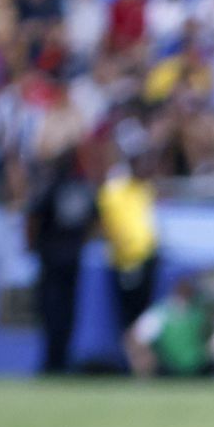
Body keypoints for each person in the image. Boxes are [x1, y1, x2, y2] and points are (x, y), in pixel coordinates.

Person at [25, 148, 97, 375]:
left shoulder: (52, 186)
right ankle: (61, 359)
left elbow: (33, 216)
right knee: (67, 312)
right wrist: (80, 243)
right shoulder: (84, 189)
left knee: (49, 310)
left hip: (50, 257)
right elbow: (95, 221)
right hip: (72, 258)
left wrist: (31, 245)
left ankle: (52, 361)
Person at [98, 151, 163, 349]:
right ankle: (135, 360)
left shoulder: (143, 189)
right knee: (131, 315)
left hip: (147, 257)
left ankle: (140, 360)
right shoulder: (114, 190)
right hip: (127, 260)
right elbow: (113, 226)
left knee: (143, 315)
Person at [124, 272, 214, 376]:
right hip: (169, 370)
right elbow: (134, 337)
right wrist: (146, 364)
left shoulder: (201, 310)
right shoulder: (161, 312)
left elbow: (211, 336)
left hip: (200, 366)